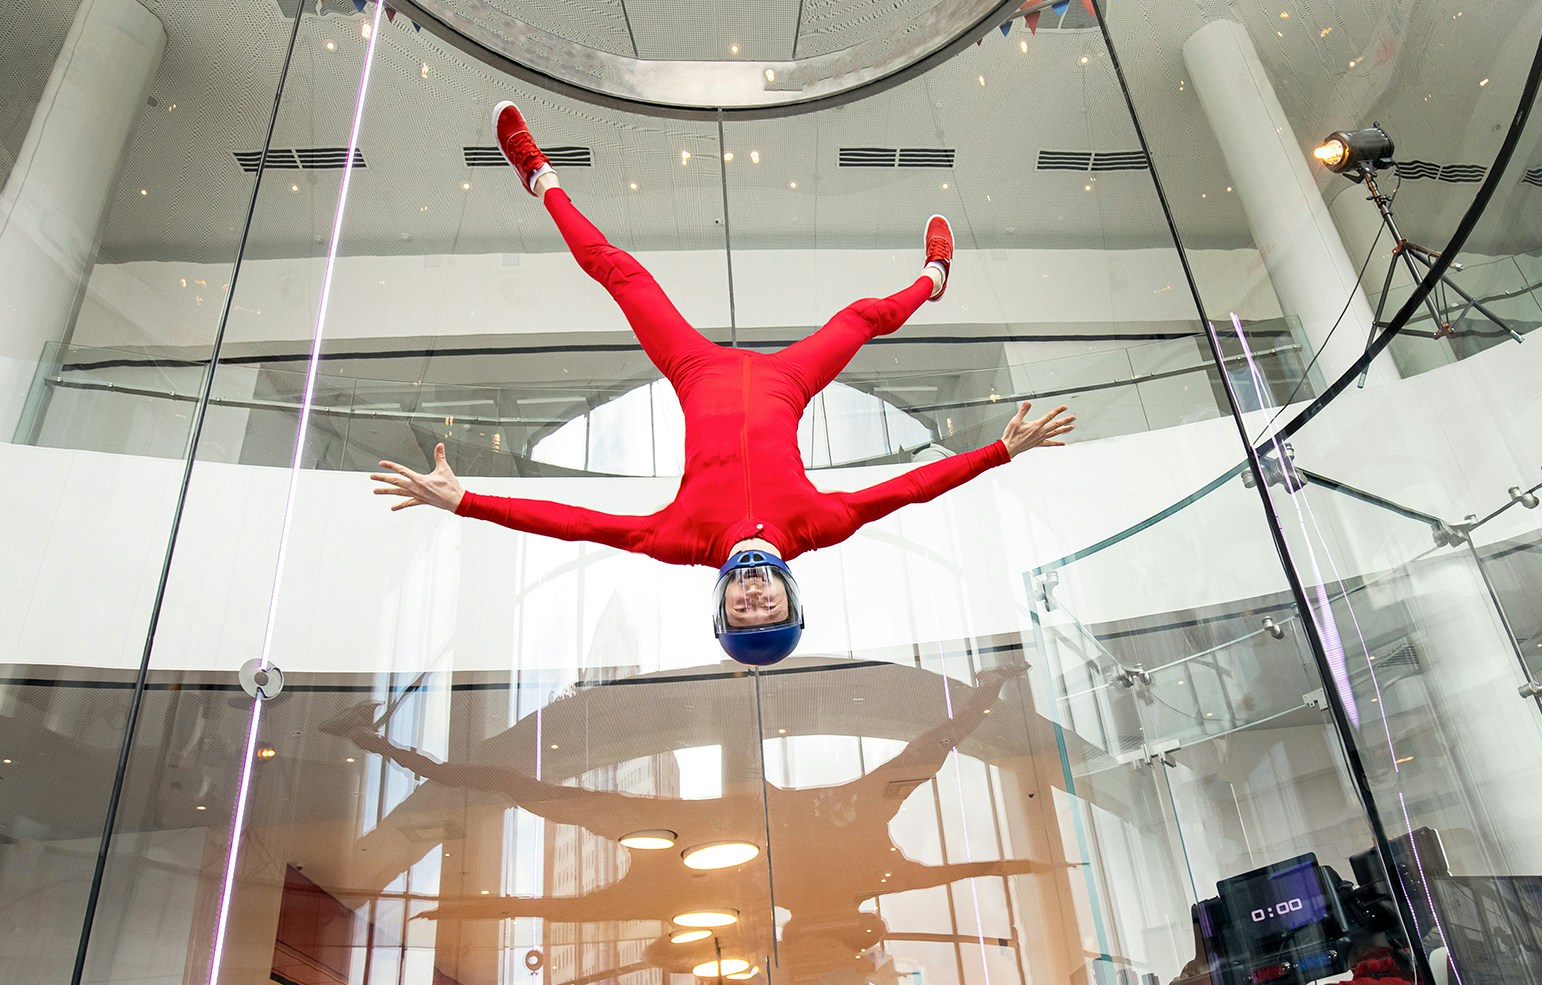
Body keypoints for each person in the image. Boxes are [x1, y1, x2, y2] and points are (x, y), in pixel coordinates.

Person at [372, 102, 1075, 665]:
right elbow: (910, 488)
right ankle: (934, 278)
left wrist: (463, 500)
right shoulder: (815, 528)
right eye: (769, 608)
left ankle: (538, 175)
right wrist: (1001, 453)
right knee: (862, 316)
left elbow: (575, 524)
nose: (755, 598)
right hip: (784, 383)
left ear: (721, 603)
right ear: (792, 596)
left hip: (697, 373)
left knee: (621, 275)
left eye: (744, 612)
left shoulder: (683, 540)